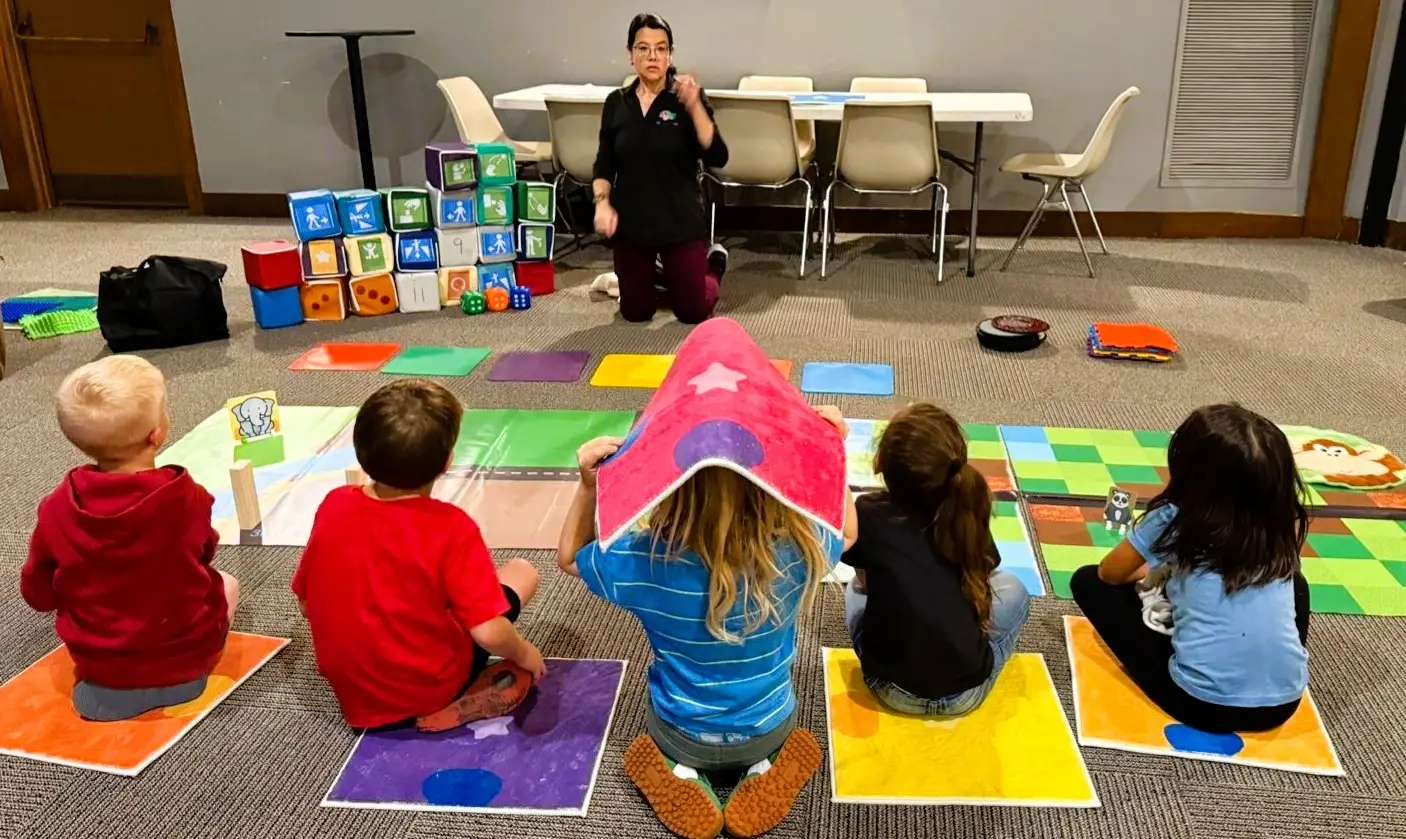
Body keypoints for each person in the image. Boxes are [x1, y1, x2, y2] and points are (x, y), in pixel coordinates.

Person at [558, 407, 858, 839]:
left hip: (680, 733)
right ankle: (763, 767)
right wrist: (833, 453)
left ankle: (679, 772)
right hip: (770, 726)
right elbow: (847, 532)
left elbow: (569, 556)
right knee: (773, 732)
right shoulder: (801, 550)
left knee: (666, 730)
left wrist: (589, 486)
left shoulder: (644, 561)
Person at [292, 379, 546, 731]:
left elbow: (305, 603)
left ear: (360, 451)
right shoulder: (452, 528)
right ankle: (458, 698)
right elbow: (489, 632)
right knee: (521, 572)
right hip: (429, 687)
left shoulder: (335, 503)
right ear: (447, 462)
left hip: (354, 694)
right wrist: (525, 652)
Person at [1070, 403, 1311, 733]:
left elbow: (1109, 574)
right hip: (1283, 706)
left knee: (1086, 581)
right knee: (1295, 582)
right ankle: (1263, 668)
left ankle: (1207, 659)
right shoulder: (1282, 521)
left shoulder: (1176, 516)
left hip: (1199, 704)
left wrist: (1152, 574)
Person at [21, 356, 238, 721]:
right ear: (157, 434)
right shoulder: (187, 497)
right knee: (229, 584)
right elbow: (206, 552)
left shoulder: (57, 507)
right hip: (188, 661)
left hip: (101, 667)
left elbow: (37, 593)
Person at [841, 403, 1030, 716]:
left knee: (855, 590)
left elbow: (865, 581)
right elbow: (983, 572)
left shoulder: (869, 513)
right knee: (1013, 589)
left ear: (882, 465)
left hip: (888, 689)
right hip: (965, 695)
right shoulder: (967, 510)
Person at [593, 12, 730, 325]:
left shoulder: (686, 98)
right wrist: (602, 204)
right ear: (631, 55)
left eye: (661, 48)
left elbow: (718, 155)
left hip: (679, 221)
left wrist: (695, 106)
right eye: (643, 48)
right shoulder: (617, 103)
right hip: (633, 226)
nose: (652, 56)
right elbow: (603, 163)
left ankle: (712, 264)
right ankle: (662, 274)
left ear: (670, 54)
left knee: (692, 312)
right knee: (636, 313)